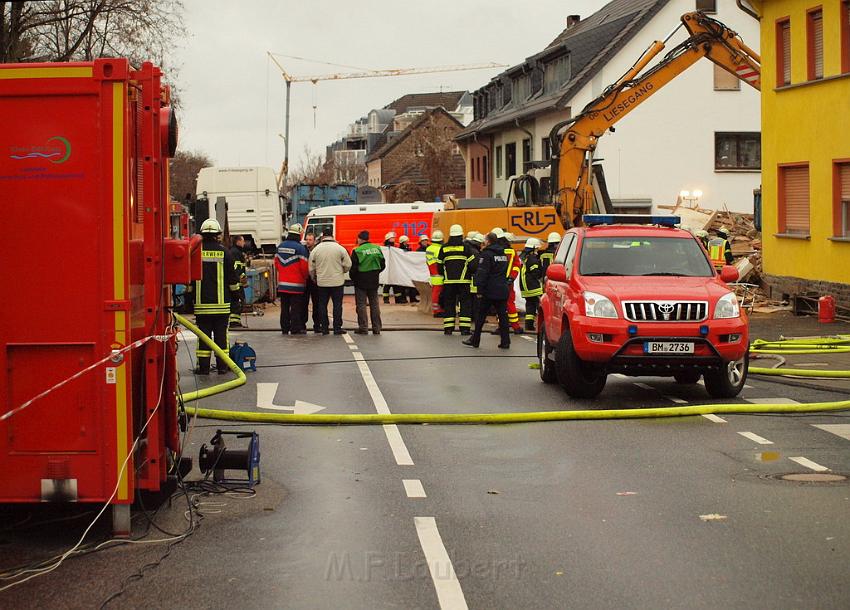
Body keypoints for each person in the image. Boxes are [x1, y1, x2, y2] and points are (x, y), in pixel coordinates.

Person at [192, 219, 240, 374]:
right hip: (221, 306)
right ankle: (222, 366)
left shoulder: (195, 252)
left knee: (203, 337)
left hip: (202, 305)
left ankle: (204, 367)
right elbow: (232, 279)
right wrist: (236, 296)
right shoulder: (225, 252)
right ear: (217, 235)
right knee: (221, 337)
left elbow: (189, 281)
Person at [463, 232, 511, 349]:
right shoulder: (503, 254)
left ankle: (475, 340)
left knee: (480, 316)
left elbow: (482, 273)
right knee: (503, 317)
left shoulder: (486, 254)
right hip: (502, 289)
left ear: (488, 241)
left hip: (489, 290)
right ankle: (505, 341)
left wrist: (479, 289)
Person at [309, 229, 351, 335]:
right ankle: (337, 328)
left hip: (322, 282)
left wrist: (314, 277)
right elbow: (348, 264)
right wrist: (342, 271)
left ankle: (324, 328)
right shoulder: (340, 248)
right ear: (332, 236)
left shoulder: (316, 250)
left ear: (323, 237)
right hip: (337, 282)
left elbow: (311, 267)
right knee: (337, 305)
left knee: (322, 305)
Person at [437, 224, 477, 336]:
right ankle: (464, 329)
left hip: (449, 282)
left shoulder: (443, 248)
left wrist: (445, 274)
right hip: (464, 282)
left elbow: (439, 266)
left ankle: (448, 329)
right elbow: (473, 265)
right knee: (465, 304)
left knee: (449, 304)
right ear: (461, 235)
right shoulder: (466, 248)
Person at [274, 223, 310, 335]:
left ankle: (284, 328)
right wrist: (305, 278)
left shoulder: (280, 246)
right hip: (297, 285)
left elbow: (276, 264)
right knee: (295, 308)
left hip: (283, 285)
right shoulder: (301, 248)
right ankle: (295, 329)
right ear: (299, 234)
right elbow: (304, 267)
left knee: (284, 308)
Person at [350, 231, 385, 335]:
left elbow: (353, 268)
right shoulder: (377, 249)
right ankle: (377, 328)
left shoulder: (357, 251)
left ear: (360, 239)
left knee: (361, 305)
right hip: (374, 279)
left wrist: (354, 278)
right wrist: (375, 272)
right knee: (374, 304)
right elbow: (383, 264)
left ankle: (363, 327)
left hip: (361, 280)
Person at [500, 230, 523, 334]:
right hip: (508, 283)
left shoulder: (494, 251)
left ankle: (501, 325)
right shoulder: (512, 252)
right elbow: (517, 266)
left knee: (499, 305)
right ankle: (515, 327)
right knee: (510, 304)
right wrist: (512, 278)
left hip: (496, 283)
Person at [520, 238, 544, 331]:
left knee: (530, 306)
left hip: (525, 288)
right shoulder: (533, 259)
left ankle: (529, 325)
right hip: (533, 287)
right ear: (533, 248)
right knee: (540, 306)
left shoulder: (524, 257)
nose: (537, 250)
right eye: (537, 248)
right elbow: (535, 272)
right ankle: (543, 326)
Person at [382, 231, 407, 305]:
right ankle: (386, 299)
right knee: (387, 284)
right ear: (388, 239)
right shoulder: (384, 247)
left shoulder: (396, 246)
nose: (393, 239)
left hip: (395, 268)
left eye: (393, 238)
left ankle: (398, 299)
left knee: (396, 284)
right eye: (392, 238)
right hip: (387, 268)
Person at [228, 234, 248, 328]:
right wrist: (242, 278)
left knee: (237, 302)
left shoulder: (235, 252)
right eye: (243, 241)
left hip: (237, 282)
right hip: (237, 283)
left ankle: (236, 321)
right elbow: (237, 268)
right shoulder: (236, 253)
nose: (244, 243)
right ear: (238, 241)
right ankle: (234, 322)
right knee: (237, 302)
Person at [303, 232, 321, 333]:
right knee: (304, 304)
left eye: (310, 240)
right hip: (305, 281)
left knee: (317, 304)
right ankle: (302, 325)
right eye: (307, 240)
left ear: (314, 241)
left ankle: (317, 325)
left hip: (315, 281)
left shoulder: (317, 251)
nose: (308, 242)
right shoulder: (303, 250)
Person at [426, 229, 445, 316]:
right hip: (440, 274)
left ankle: (435, 310)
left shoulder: (429, 248)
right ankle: (438, 311)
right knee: (439, 294)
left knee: (435, 293)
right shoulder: (441, 249)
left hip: (433, 274)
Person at [468, 232, 485, 325]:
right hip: (473, 280)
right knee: (476, 301)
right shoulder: (475, 252)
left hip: (469, 279)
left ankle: (472, 316)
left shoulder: (470, 249)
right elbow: (475, 267)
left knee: (470, 300)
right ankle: (476, 317)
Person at [397, 235, 419, 303]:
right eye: (406, 242)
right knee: (402, 285)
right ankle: (403, 299)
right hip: (402, 269)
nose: (407, 243)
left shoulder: (408, 249)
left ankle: (412, 298)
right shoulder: (398, 250)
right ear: (402, 242)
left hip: (408, 268)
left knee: (411, 283)